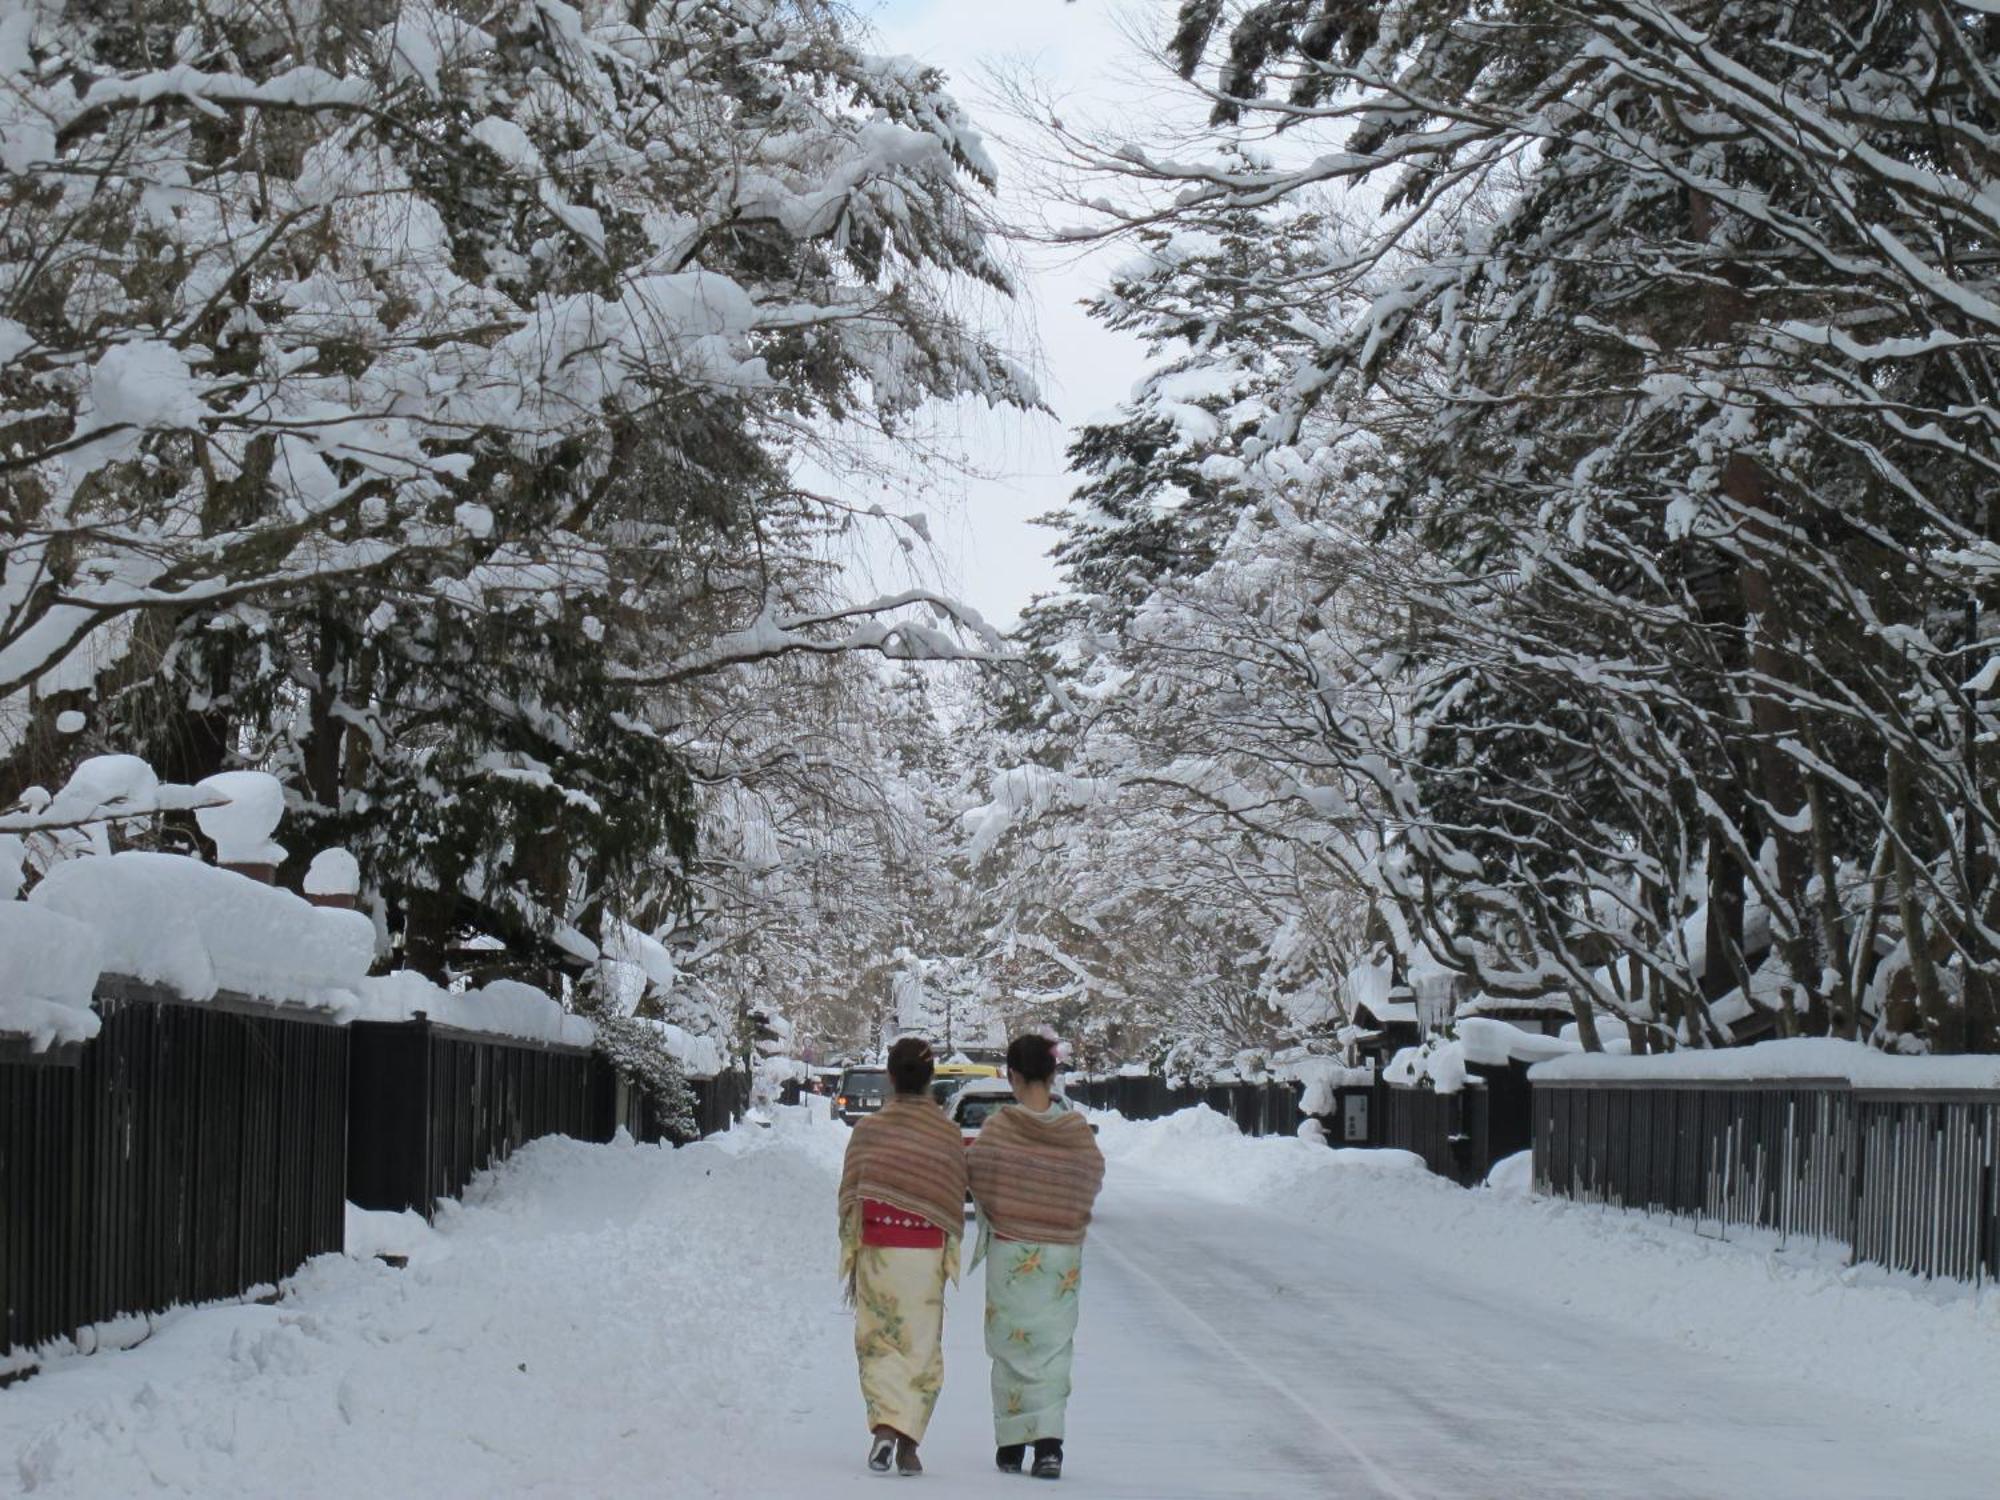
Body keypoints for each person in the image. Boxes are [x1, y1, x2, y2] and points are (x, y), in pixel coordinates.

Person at [964, 1034, 1106, 1482]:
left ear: (1013, 1076)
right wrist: (1064, 1213)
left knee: (1010, 1345)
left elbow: (979, 1177)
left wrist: (1010, 1206)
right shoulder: (1075, 1131)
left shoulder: (1002, 1128)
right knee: (1053, 1347)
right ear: (1052, 1074)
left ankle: (1010, 1443)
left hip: (1012, 1249)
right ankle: (1049, 1446)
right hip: (1061, 1255)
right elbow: (1091, 1174)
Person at [836, 1036, 968, 1477]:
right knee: (921, 1347)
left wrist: (852, 1245)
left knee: (879, 1342)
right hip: (925, 1254)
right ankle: (909, 1444)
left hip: (879, 1252)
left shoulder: (868, 1131)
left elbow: (852, 1192)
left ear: (890, 1077)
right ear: (931, 1078)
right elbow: (951, 1196)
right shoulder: (946, 1134)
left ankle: (884, 1430)